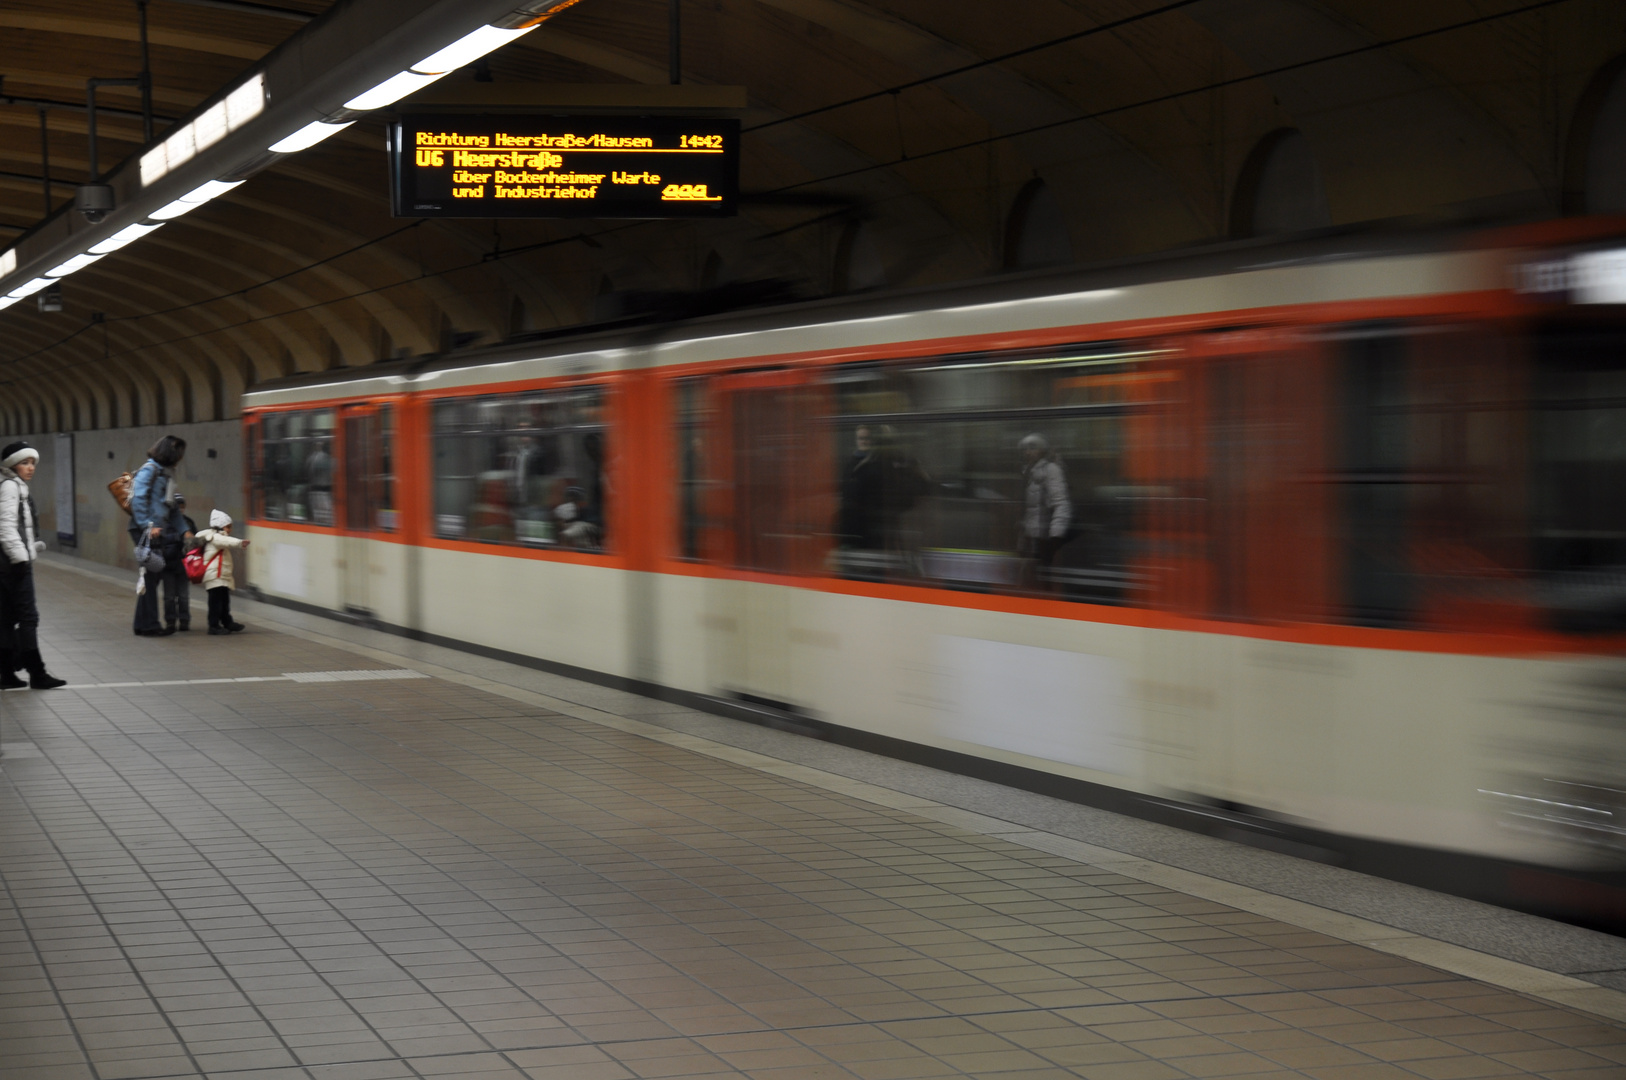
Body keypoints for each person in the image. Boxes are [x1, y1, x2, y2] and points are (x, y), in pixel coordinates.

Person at [0, 440, 66, 689]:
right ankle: (37, 673)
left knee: (6, 619)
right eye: (24, 463)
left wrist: (30, 547)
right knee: (29, 618)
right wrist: (21, 557)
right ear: (12, 465)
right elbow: (5, 527)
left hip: (4, 563)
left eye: (32, 463)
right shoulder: (10, 487)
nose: (30, 468)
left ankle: (6, 674)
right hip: (12, 563)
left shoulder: (10, 485)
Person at [129, 434, 189, 637]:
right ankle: (150, 625)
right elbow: (138, 499)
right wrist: (147, 525)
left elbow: (171, 508)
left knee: (150, 577)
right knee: (151, 575)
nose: (180, 457)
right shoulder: (150, 470)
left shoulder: (167, 474)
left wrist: (184, 530)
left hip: (155, 529)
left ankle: (142, 624)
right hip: (144, 529)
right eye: (178, 453)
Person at [1019, 433, 1072, 586]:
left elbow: (1061, 503)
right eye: (1025, 449)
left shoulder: (1051, 470)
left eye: (1032, 448)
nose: (1028, 452)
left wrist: (1055, 536)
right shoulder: (1028, 471)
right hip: (1031, 536)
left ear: (1042, 450)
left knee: (1042, 578)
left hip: (1045, 538)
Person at [194, 510, 248, 635]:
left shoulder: (216, 537)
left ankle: (226, 622)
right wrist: (240, 543)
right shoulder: (214, 537)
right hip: (215, 576)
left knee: (223, 601)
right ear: (220, 526)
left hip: (220, 576)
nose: (230, 529)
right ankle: (213, 626)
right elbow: (226, 541)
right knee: (215, 603)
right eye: (228, 526)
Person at [163, 492, 199, 633]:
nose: (181, 509)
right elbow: (162, 539)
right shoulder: (164, 523)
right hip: (168, 564)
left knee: (183, 596)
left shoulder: (189, 523)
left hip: (184, 565)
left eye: (183, 506)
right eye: (178, 506)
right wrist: (178, 537)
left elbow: (194, 540)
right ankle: (170, 621)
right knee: (169, 596)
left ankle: (184, 621)